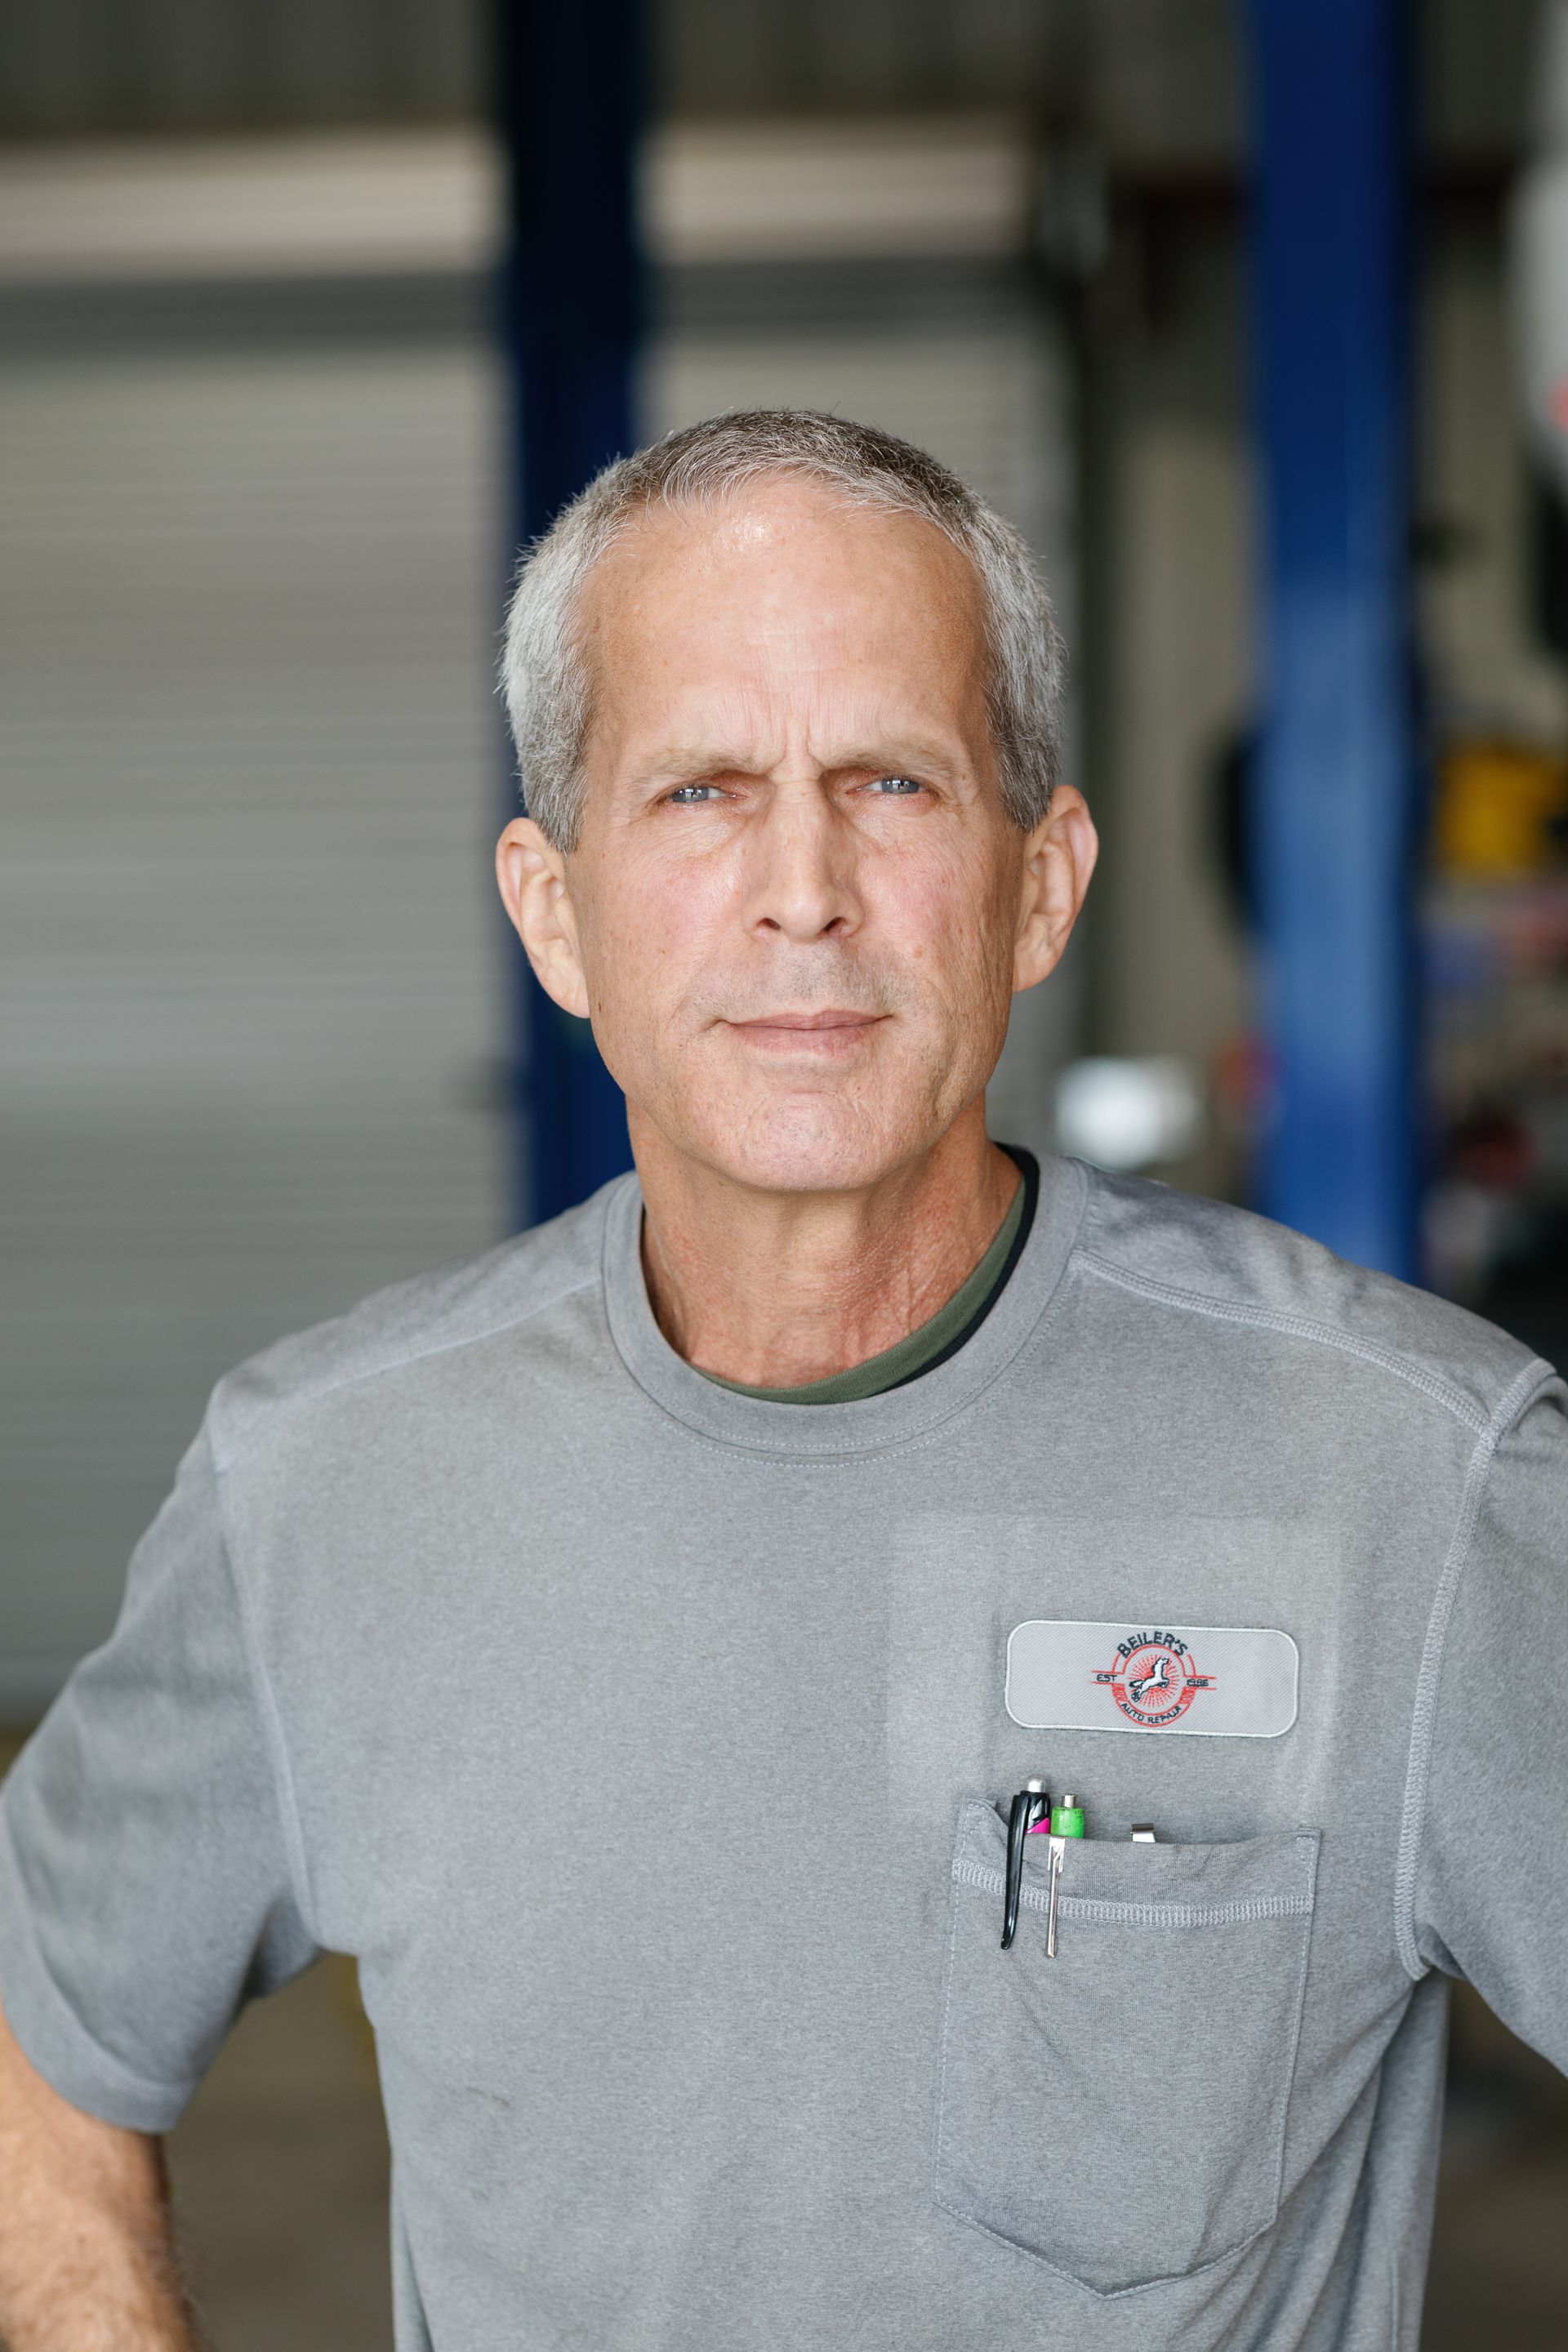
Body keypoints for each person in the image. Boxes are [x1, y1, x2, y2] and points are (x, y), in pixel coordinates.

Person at [0, 408, 1563, 2352]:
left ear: (1042, 881)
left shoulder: (1415, 1482)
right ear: (550, 909)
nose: (802, 888)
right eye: (700, 792)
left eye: (893, 782)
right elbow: (38, 2048)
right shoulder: (318, 1487)